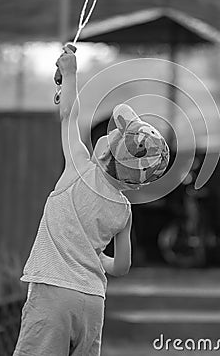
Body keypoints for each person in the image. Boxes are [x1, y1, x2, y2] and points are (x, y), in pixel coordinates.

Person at [13, 45, 169, 356]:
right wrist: (98, 259)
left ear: (104, 151)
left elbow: (69, 115)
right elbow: (122, 266)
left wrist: (69, 74)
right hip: (92, 302)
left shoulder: (79, 170)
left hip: (52, 292)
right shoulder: (125, 211)